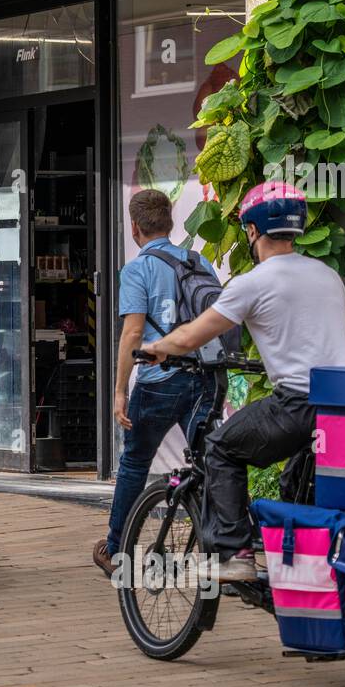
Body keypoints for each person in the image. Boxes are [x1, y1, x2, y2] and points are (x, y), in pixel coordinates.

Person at [139, 181, 345, 582]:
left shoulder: (254, 282)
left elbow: (191, 336)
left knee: (221, 449)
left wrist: (156, 349)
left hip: (299, 403)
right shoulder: (327, 276)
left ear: (252, 231)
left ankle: (234, 554)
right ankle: (300, 572)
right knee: (296, 483)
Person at [94, 190, 217, 578]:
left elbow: (132, 333)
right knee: (210, 465)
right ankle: (223, 555)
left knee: (135, 462)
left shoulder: (137, 269)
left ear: (135, 227)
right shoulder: (201, 263)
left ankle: (117, 551)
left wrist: (119, 391)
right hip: (206, 378)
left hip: (159, 380)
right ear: (169, 221)